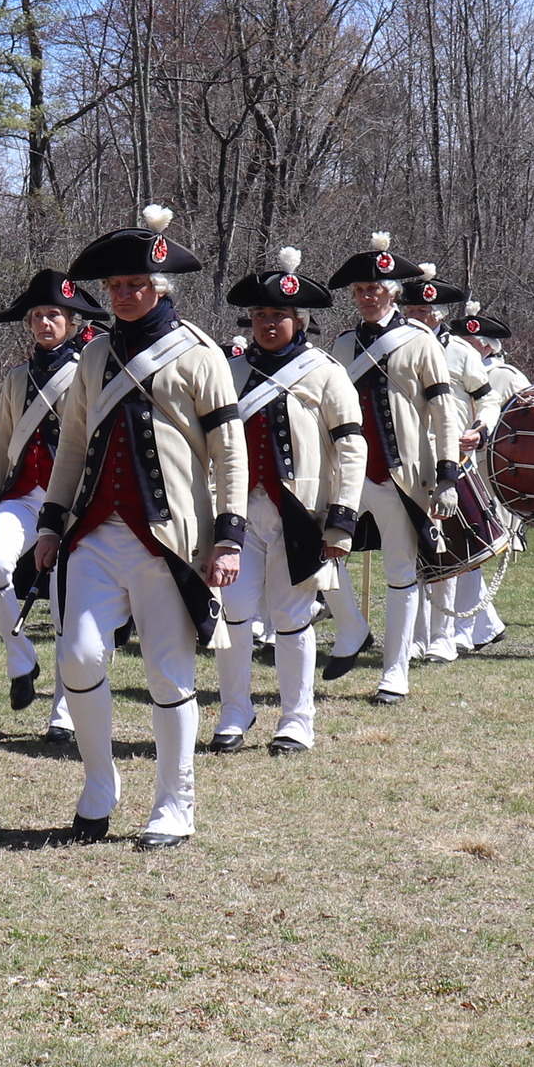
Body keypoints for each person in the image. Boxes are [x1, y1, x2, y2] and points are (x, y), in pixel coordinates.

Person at [28, 206, 248, 848]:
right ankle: (100, 782)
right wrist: (50, 523)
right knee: (78, 656)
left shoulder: (199, 355)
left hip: (171, 538)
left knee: (167, 674)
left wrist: (228, 534)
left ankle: (174, 804)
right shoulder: (91, 357)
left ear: (161, 288)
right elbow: (71, 447)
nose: (125, 295)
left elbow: (228, 450)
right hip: (94, 533)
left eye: (137, 286)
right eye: (117, 287)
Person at [209, 248, 364, 756]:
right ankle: (235, 709)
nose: (268, 323)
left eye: (279, 315)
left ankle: (297, 720)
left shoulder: (324, 372)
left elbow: (351, 445)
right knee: (232, 610)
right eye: (260, 315)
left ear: (300, 321)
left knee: (292, 615)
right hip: (238, 514)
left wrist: (341, 522)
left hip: (302, 514)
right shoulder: (228, 372)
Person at [319, 233, 466, 704]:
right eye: (360, 290)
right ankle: (352, 628)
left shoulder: (419, 342)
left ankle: (395, 671)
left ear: (393, 293)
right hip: (347, 473)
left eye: (375, 290)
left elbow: (444, 410)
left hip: (400, 474)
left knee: (401, 571)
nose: (366, 297)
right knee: (323, 555)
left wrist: (447, 472)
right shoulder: (341, 345)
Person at [0, 270, 107, 728]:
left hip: (69, 499)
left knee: (63, 606)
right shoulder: (17, 377)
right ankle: (21, 660)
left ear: (73, 322)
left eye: (53, 314)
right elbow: (4, 440)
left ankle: (63, 713)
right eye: (36, 315)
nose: (43, 322)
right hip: (21, 493)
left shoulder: (89, 371)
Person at [399, 265, 492, 663]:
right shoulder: (392, 346)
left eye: (427, 313)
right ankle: (415, 636)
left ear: (438, 316)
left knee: (445, 548)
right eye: (414, 312)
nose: (421, 319)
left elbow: (487, 397)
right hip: (402, 458)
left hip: (448, 458)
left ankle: (442, 634)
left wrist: (480, 428)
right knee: (409, 549)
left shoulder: (461, 352)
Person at [447, 305, 526, 648]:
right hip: (456, 466)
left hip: (489, 473)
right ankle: (485, 625)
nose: (465, 346)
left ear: (487, 346)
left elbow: (528, 419)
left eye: (472, 341)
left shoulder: (506, 376)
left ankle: (468, 631)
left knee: (470, 547)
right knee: (458, 548)